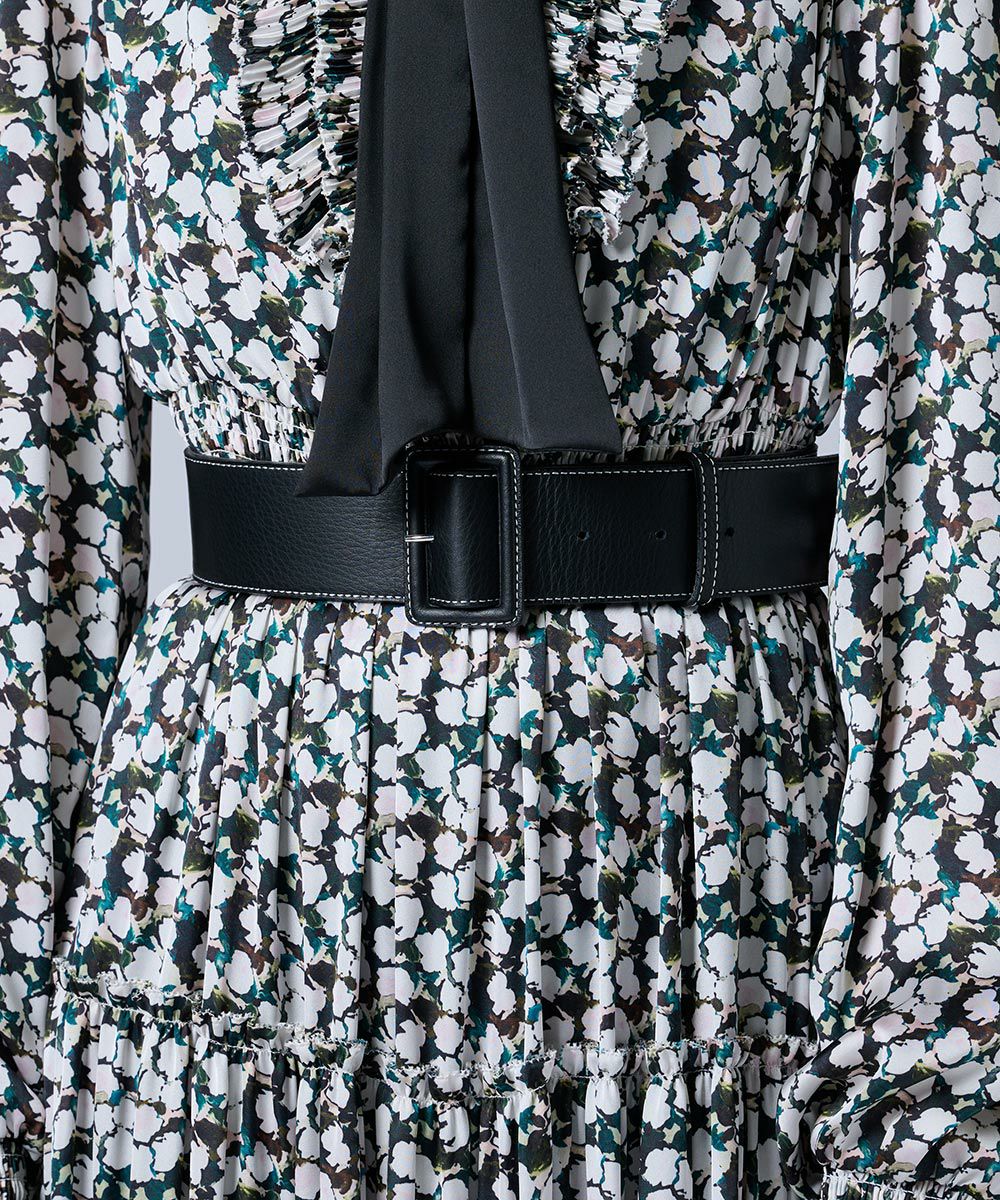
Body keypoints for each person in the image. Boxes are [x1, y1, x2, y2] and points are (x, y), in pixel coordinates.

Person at [0, 1, 997, 1198]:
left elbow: (961, 434)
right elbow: (27, 450)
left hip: (695, 845)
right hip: (241, 849)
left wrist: (939, 1027)